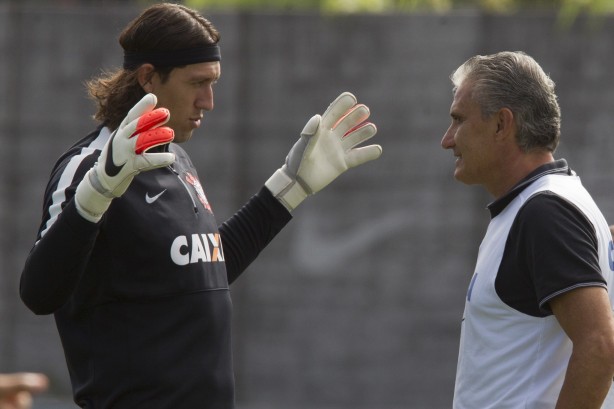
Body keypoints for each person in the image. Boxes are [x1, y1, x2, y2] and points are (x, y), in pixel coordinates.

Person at [19, 3, 382, 408]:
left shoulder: (175, 159)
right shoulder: (87, 168)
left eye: (214, 83)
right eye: (197, 83)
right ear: (148, 77)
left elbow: (205, 269)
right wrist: (98, 190)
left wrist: (291, 188)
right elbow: (39, 293)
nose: (208, 101)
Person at [441, 51, 614, 408]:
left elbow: (599, 345)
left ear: (502, 124)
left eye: (458, 120)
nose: (448, 139)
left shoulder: (545, 211)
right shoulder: (541, 207)